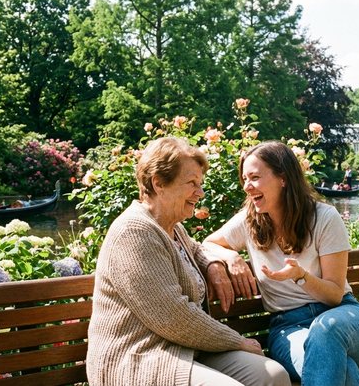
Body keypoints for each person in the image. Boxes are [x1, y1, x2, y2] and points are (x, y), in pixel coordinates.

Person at [86, 137, 290, 386]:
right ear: (158, 183)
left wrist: (213, 264)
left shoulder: (173, 228)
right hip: (139, 358)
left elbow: (197, 250)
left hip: (184, 349)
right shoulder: (134, 231)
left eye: (200, 184)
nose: (200, 193)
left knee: (273, 375)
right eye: (192, 183)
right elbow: (173, 316)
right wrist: (238, 341)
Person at [204, 141, 359, 386]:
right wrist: (230, 256)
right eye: (244, 179)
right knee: (338, 369)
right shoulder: (248, 220)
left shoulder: (324, 217)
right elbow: (209, 243)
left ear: (283, 178)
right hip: (289, 327)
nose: (246, 187)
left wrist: (300, 276)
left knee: (325, 332)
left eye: (254, 177)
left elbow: (335, 296)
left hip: (343, 320)